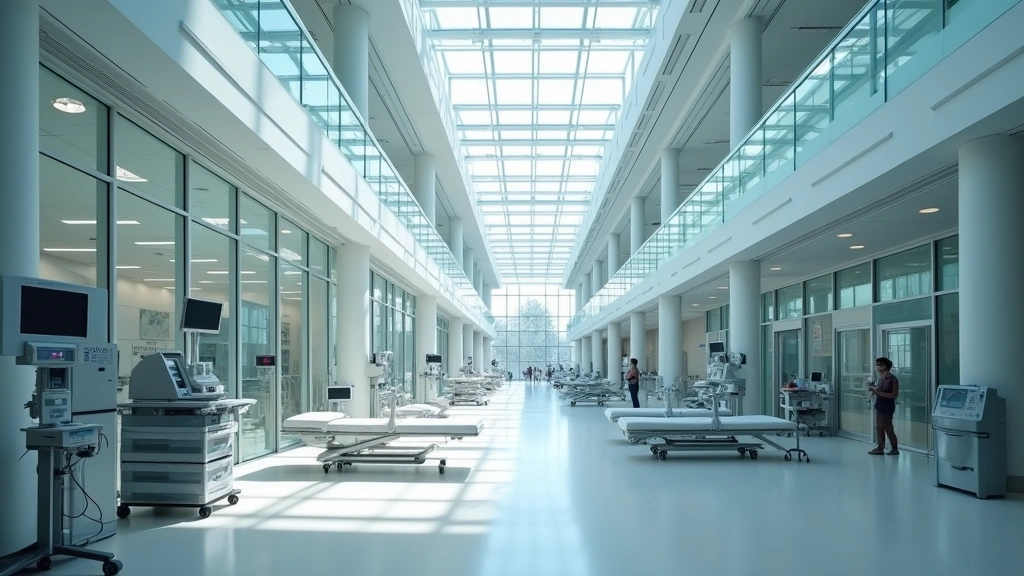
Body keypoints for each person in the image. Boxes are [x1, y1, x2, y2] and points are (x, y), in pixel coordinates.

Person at [868, 357, 899, 455]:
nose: (877, 367)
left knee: (887, 426)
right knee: (879, 427)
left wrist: (878, 393)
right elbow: (879, 389)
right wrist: (873, 389)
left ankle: (894, 448)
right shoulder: (882, 378)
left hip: (887, 405)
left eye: (879, 365)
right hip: (879, 404)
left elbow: (894, 395)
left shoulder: (892, 379)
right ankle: (880, 447)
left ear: (885, 366)